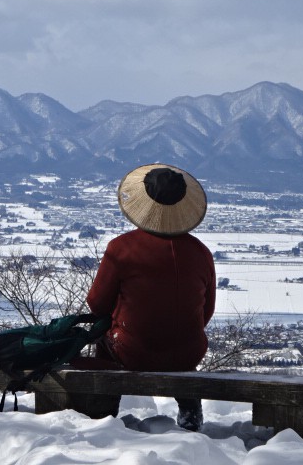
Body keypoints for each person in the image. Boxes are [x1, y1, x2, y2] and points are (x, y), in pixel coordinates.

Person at [82, 163, 216, 432]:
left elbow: (97, 304)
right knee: (182, 340)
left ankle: (103, 411)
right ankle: (189, 408)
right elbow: (206, 311)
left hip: (133, 351)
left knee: (103, 338)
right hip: (189, 353)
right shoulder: (201, 252)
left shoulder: (122, 249)